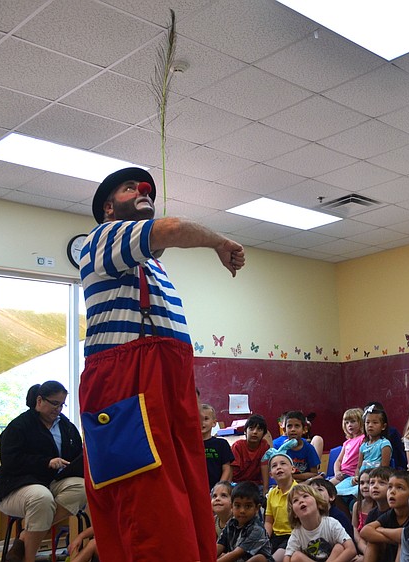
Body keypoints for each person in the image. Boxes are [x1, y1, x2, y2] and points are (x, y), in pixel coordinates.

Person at [79, 167, 245, 562]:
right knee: (148, 509)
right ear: (108, 208)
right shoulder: (102, 237)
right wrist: (220, 242)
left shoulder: (152, 267)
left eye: (147, 189)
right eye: (129, 187)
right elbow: (169, 230)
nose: (143, 190)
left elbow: (160, 243)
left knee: (186, 500)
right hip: (126, 381)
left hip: (168, 381)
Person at [0, 381, 85, 562]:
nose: (58, 409)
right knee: (41, 498)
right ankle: (29, 558)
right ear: (39, 400)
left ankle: (25, 534)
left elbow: (78, 456)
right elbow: (11, 461)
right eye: (54, 403)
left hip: (52, 483)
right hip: (16, 486)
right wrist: (46, 462)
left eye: (62, 404)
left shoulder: (66, 427)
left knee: (83, 488)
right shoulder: (18, 427)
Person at [284, 484, 356, 562]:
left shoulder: (331, 523)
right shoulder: (297, 533)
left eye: (305, 496)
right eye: (295, 500)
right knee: (296, 557)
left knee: (339, 548)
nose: (301, 501)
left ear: (318, 503)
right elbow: (287, 558)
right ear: (294, 513)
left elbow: (351, 549)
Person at [360, 471, 409, 562]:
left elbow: (403, 535)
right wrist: (393, 539)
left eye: (399, 487)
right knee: (373, 542)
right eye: (390, 487)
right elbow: (365, 531)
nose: (392, 492)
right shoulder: (391, 513)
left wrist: (380, 530)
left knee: (402, 544)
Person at [218, 481, 272, 562]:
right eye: (237, 506)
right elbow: (220, 545)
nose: (242, 510)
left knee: (259, 558)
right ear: (231, 506)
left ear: (257, 508)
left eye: (248, 506)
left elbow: (237, 553)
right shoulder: (231, 523)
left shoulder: (257, 529)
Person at [265, 444, 299, 562]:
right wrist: (264, 539)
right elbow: (269, 521)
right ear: (271, 474)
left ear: (293, 469)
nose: (279, 467)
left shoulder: (299, 491)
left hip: (294, 536)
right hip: (275, 537)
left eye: (283, 463)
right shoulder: (272, 494)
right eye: (274, 466)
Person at [277, 411, 321, 482]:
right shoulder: (282, 449)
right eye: (289, 426)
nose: (293, 429)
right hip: (288, 483)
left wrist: (293, 476)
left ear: (304, 430)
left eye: (297, 426)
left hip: (305, 482)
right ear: (285, 430)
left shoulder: (309, 448)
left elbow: (314, 473)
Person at [232, 414, 271, 492]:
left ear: (264, 434)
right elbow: (231, 469)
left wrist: (265, 489)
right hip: (238, 484)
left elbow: (265, 467)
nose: (255, 432)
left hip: (256, 485)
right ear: (245, 431)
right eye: (251, 428)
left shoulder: (264, 446)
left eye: (259, 429)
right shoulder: (238, 446)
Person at [203, 404, 235, 490]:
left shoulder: (221, 444)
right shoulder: (190, 445)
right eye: (198, 419)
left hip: (217, 488)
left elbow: (226, 468)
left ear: (214, 423)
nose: (202, 422)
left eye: (206, 419)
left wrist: (219, 487)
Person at [331, 408, 366, 485]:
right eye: (347, 423)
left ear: (361, 422)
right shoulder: (346, 443)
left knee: (325, 487)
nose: (349, 425)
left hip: (351, 475)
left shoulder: (363, 438)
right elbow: (338, 461)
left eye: (353, 421)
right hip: (342, 474)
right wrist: (337, 472)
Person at [356, 407, 392, 476]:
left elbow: (384, 469)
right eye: (367, 422)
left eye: (375, 422)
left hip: (376, 479)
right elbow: (358, 467)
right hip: (362, 479)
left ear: (383, 426)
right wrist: (356, 477)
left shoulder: (384, 444)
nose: (370, 425)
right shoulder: (363, 446)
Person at [351, 469, 375, 553]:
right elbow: (354, 528)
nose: (365, 486)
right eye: (362, 483)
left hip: (375, 544)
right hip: (360, 542)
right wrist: (360, 544)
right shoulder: (357, 505)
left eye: (369, 482)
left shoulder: (380, 507)